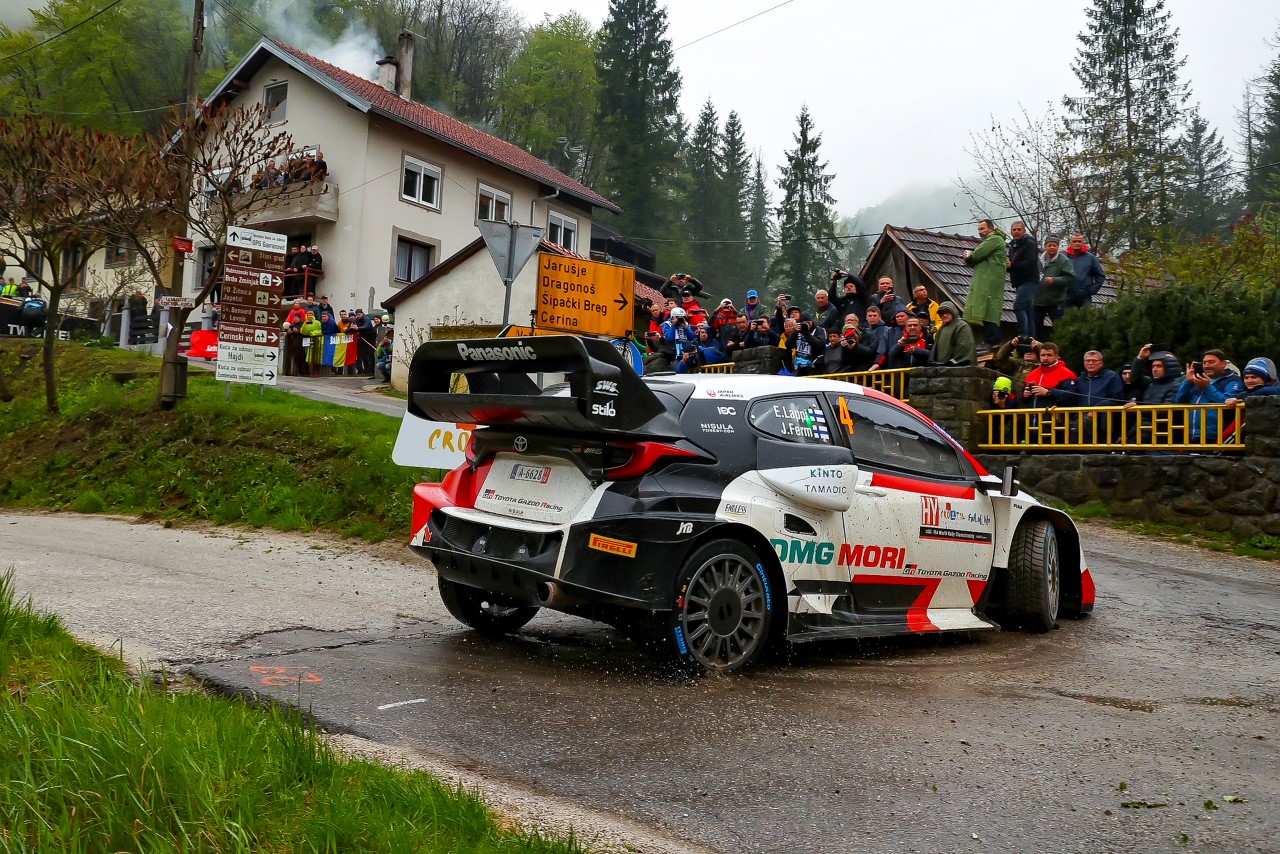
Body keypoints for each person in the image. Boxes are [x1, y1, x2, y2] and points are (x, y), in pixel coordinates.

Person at [1175, 349, 1245, 443]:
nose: (1207, 366)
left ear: (1223, 364)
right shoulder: (1198, 380)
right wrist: (1188, 382)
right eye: (1204, 363)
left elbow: (1227, 403)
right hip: (1191, 434)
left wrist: (1208, 387)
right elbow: (1179, 401)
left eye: (1211, 362)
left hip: (1216, 436)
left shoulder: (1232, 380)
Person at [962, 219, 1009, 350]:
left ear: (991, 228)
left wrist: (970, 255)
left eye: (982, 228)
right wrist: (970, 258)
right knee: (984, 310)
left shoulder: (995, 239)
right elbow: (974, 259)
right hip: (986, 280)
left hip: (990, 281)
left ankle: (994, 341)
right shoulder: (991, 240)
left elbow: (978, 254)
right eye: (978, 229)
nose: (980, 231)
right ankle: (989, 340)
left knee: (989, 310)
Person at [1123, 345, 1183, 444]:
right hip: (1143, 434)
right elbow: (1135, 379)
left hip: (1163, 437)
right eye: (1153, 366)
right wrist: (1140, 358)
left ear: (1169, 367)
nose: (1154, 369)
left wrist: (1138, 408)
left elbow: (1166, 411)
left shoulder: (1176, 386)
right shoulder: (1151, 384)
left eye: (1159, 366)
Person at [1068, 350, 1125, 443]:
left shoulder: (1111, 376)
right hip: (1082, 420)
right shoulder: (1080, 379)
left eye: (1094, 360)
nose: (1090, 363)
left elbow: (1117, 398)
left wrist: (1096, 409)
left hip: (1104, 420)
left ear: (1101, 363)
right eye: (1088, 360)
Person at [1033, 235, 1075, 343]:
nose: (1052, 247)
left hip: (1056, 300)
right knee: (1035, 328)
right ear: (1045, 246)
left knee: (1059, 328)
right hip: (1037, 300)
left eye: (1054, 245)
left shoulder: (1064, 261)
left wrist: (1055, 280)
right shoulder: (1038, 260)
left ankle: (1059, 347)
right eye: (1049, 245)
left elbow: (1070, 278)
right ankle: (1037, 348)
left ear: (1058, 247)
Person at [1007, 222, 1040, 340]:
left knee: (1018, 306)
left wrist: (1013, 265)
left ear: (1024, 231)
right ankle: (1031, 339)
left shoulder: (1029, 244)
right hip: (1019, 282)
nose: (1016, 232)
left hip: (1029, 280)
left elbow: (1030, 262)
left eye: (1019, 229)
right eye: (1014, 229)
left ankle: (1023, 335)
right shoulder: (1012, 245)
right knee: (1028, 310)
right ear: (1011, 232)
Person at [1065, 233, 1106, 308]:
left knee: (1086, 315)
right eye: (1074, 241)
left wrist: (1092, 290)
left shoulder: (1091, 258)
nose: (1077, 243)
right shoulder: (1064, 258)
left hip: (1084, 298)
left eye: (1079, 241)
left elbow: (1100, 276)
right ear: (1070, 242)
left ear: (1083, 242)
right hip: (1067, 298)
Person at [929, 301, 976, 367]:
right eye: (942, 313)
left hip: (958, 368)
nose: (944, 315)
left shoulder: (961, 326)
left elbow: (964, 348)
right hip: (943, 367)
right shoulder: (942, 328)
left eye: (947, 312)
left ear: (953, 312)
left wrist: (952, 363)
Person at [299, 311, 323, 377]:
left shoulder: (317, 323)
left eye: (311, 315)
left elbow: (321, 331)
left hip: (317, 342)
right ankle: (310, 371)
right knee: (309, 357)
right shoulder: (305, 323)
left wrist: (313, 333)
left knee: (317, 357)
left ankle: (316, 371)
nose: (310, 316)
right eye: (308, 315)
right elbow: (302, 331)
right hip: (308, 342)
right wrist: (305, 324)